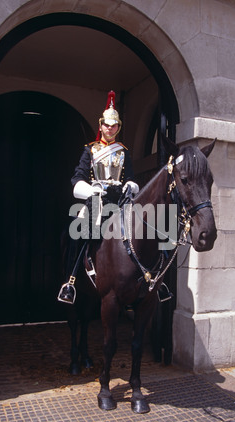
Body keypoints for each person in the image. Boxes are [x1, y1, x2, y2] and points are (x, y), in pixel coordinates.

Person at [58, 90, 139, 304]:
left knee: (145, 231)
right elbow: (77, 179)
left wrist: (130, 185)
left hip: (119, 201)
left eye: (114, 126)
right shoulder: (90, 151)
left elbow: (129, 176)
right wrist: (91, 190)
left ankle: (148, 281)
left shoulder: (124, 153)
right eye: (107, 125)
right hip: (96, 200)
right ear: (101, 125)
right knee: (78, 233)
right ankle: (71, 282)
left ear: (118, 127)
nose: (110, 129)